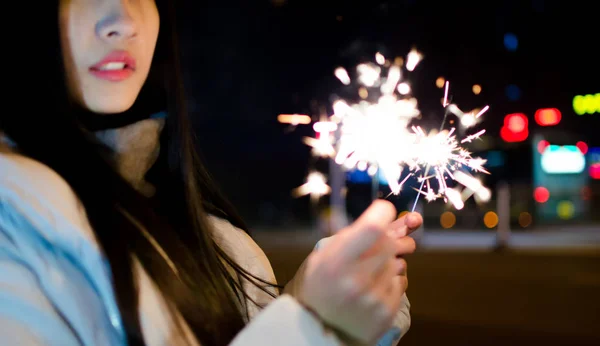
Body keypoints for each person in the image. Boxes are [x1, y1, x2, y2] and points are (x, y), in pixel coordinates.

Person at [0, 1, 422, 345]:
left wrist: (318, 309)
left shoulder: (224, 246)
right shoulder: (12, 218)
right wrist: (307, 325)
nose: (123, 21)